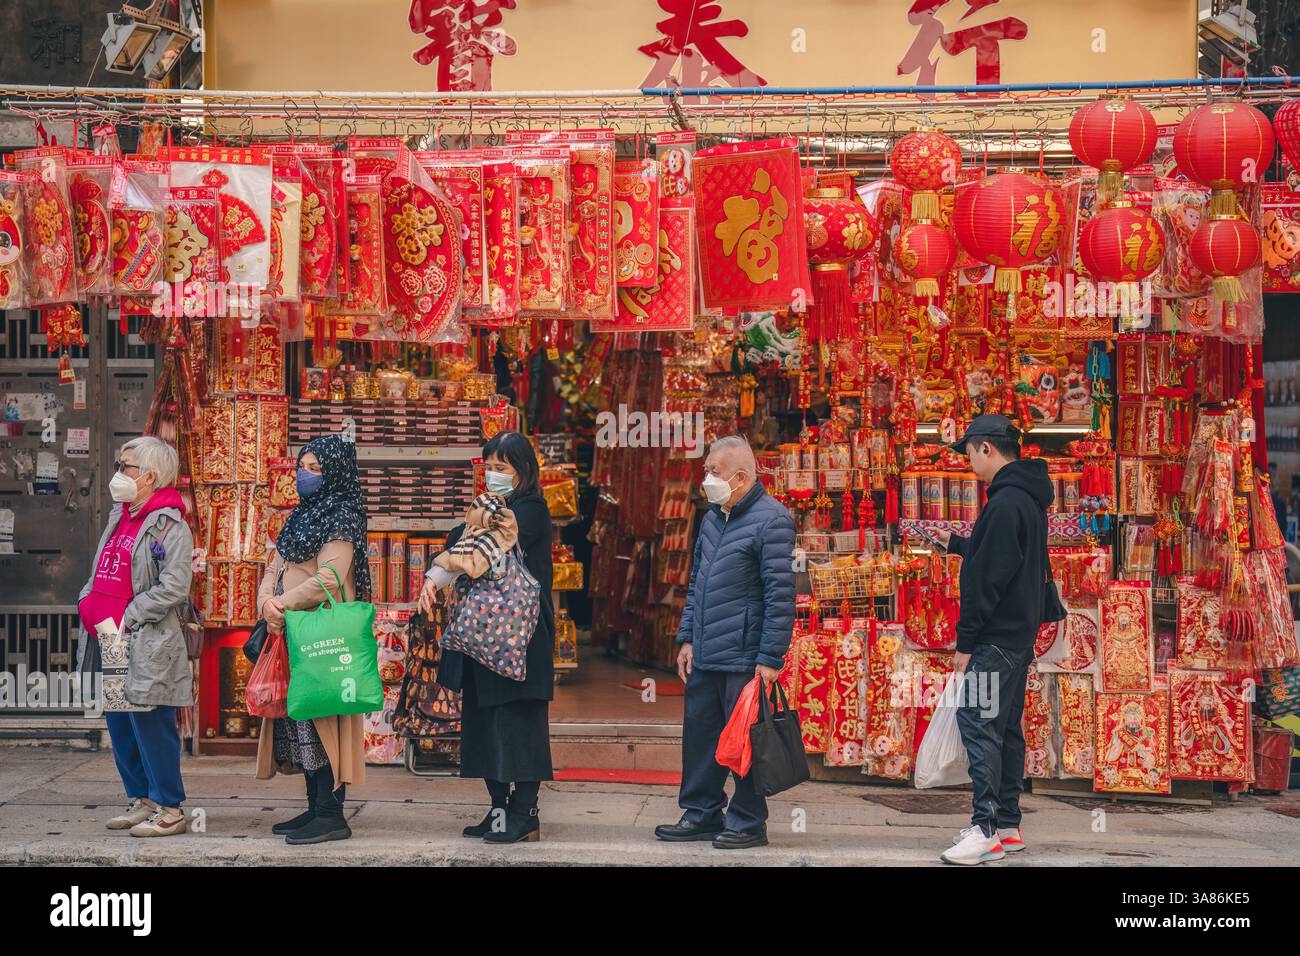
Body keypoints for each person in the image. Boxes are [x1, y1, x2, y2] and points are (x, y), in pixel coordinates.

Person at [655, 435, 796, 850]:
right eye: (705, 471)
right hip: (707, 651)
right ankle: (701, 812)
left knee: (745, 742)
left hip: (745, 656)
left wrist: (770, 657)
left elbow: (779, 595)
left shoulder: (773, 520)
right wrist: (686, 638)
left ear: (740, 476)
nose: (706, 479)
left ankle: (749, 821)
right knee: (700, 736)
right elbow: (696, 583)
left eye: (713, 472)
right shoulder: (714, 517)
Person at [419, 430, 554, 844]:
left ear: (523, 470)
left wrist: (437, 574)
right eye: (489, 467)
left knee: (520, 721)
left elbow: (480, 548)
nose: (493, 474)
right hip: (482, 635)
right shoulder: (490, 508)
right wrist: (436, 576)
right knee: (484, 720)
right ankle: (499, 810)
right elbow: (460, 541)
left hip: (521, 636)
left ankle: (524, 812)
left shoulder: (529, 510)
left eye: (502, 468)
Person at [931, 414, 1054, 866]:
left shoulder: (1004, 503)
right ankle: (1007, 824)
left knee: (979, 723)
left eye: (970, 452)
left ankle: (982, 829)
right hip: (1017, 638)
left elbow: (986, 582)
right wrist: (962, 544)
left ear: (988, 449)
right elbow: (1006, 558)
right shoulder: (1025, 498)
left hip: (996, 638)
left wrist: (965, 644)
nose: (968, 462)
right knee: (1003, 728)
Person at [255, 435, 371, 845]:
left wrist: (281, 605)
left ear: (336, 472)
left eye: (316, 468)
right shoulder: (301, 516)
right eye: (303, 465)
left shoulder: (341, 517)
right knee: (300, 722)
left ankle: (331, 813)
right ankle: (313, 806)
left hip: (321, 637)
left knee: (323, 722)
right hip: (292, 633)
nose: (306, 474)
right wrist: (267, 601)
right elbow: (276, 564)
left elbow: (330, 579)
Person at [77, 436, 194, 838]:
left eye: (125, 467)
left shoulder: (170, 524)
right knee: (120, 722)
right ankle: (141, 798)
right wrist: (87, 598)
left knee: (150, 720)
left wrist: (130, 615)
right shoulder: (120, 515)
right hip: (109, 638)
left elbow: (174, 587)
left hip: (144, 638)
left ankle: (170, 807)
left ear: (150, 476)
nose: (117, 474)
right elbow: (103, 566)